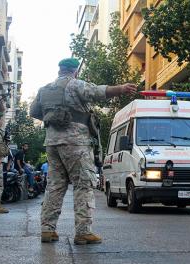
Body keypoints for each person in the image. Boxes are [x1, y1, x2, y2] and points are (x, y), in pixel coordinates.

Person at [30, 58, 137, 245]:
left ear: (60, 70)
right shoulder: (75, 85)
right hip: (76, 142)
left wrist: (54, 117)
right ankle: (83, 232)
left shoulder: (45, 89)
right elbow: (98, 92)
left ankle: (47, 230)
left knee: (55, 186)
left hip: (52, 142)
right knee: (84, 184)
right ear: (74, 71)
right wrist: (121, 88)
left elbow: (34, 111)